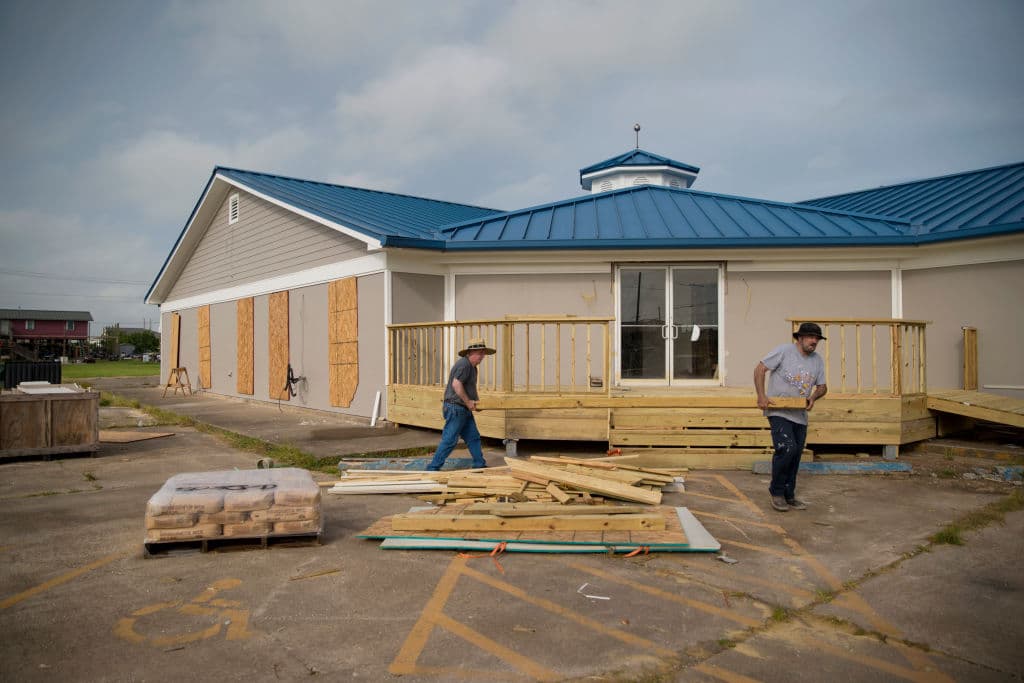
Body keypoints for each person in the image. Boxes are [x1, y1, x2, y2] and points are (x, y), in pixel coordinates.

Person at [754, 322, 828, 512]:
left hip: (799, 414)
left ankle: (789, 495)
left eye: (817, 339)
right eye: (810, 337)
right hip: (778, 411)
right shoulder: (784, 351)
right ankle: (777, 493)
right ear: (800, 338)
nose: (814, 341)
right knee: (787, 448)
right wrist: (761, 396)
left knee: (795, 454)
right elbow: (760, 369)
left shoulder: (817, 360)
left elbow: (822, 387)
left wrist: (813, 398)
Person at [425, 337, 495, 471]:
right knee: (450, 440)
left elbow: (469, 388)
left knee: (473, 437)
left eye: (483, 353)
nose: (482, 356)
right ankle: (432, 468)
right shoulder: (464, 365)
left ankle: (479, 464)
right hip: (455, 408)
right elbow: (456, 385)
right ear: (470, 353)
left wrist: (475, 404)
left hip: (463, 409)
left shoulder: (472, 368)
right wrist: (468, 402)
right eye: (480, 353)